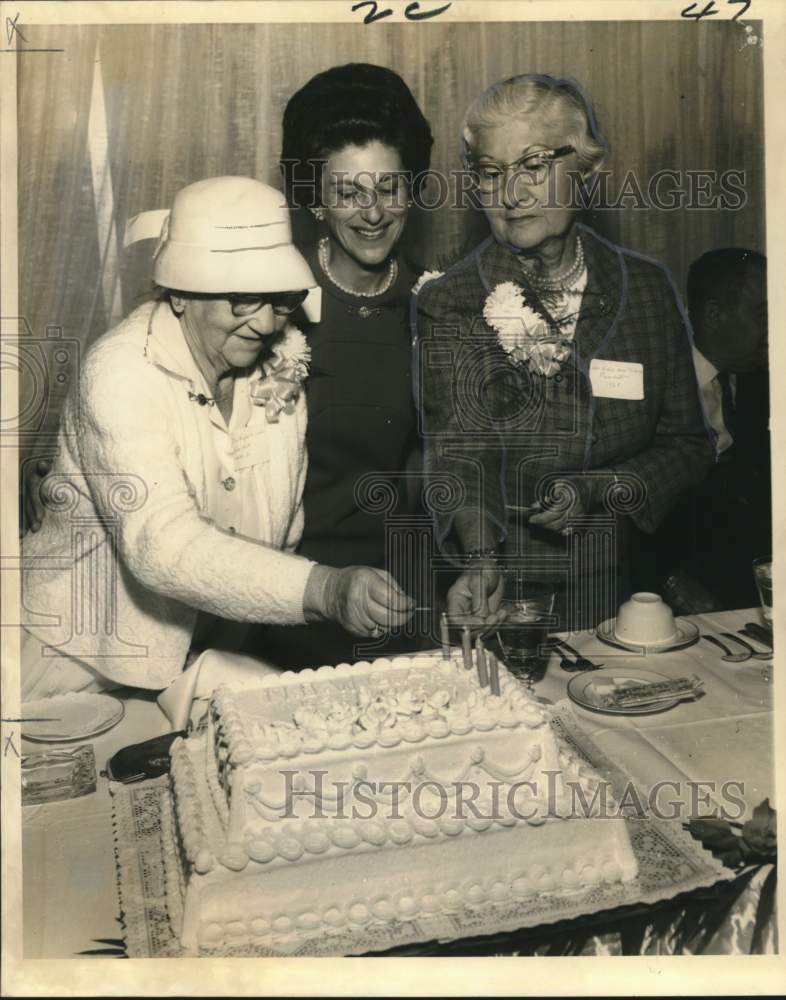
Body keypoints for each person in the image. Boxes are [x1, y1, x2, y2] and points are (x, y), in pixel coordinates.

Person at [19, 177, 413, 700]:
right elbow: (163, 546)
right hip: (75, 665)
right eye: (242, 300)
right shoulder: (120, 372)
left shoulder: (278, 371)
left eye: (278, 300)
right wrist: (325, 588)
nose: (265, 323)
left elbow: (283, 531)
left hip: (198, 659)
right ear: (180, 295)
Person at [415, 73, 716, 631]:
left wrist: (602, 488)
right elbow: (457, 454)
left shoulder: (646, 291)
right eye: (490, 173)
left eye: (533, 165)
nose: (511, 194)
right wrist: (482, 559)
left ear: (585, 169)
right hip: (497, 593)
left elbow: (689, 446)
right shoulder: (451, 301)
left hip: (619, 594)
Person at [250, 63, 436, 667]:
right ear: (315, 198)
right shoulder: (270, 293)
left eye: (390, 188)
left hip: (403, 597)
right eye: (349, 192)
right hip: (286, 596)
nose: (373, 212)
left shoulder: (438, 302)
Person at [650, 248, 770, 609]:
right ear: (715, 315)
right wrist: (668, 580)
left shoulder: (763, 380)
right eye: (764, 314)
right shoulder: (653, 385)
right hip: (670, 584)